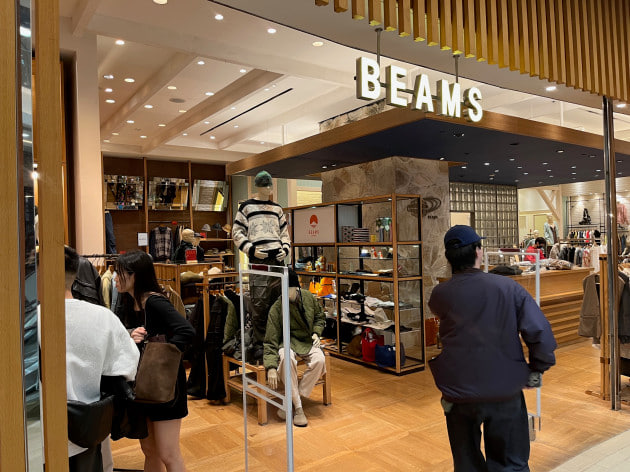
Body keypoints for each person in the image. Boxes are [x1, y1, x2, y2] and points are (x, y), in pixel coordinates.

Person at [428, 225, 557, 471]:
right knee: (510, 463)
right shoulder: (508, 288)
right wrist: (537, 367)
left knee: (466, 463)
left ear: (449, 257)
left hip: (457, 390)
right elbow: (539, 332)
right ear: (478, 251)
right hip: (505, 387)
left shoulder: (440, 294)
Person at [115, 250, 195, 472]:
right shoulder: (128, 302)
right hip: (142, 385)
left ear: (135, 275)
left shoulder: (154, 302)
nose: (115, 278)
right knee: (150, 450)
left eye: (120, 273)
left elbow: (186, 331)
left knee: (169, 453)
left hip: (163, 385)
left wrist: (161, 352)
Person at [62, 246, 140, 472]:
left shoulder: (28, 322)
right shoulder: (103, 317)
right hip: (91, 424)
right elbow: (129, 366)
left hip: (41, 430)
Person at [233, 170, 292, 359]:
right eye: (265, 185)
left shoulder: (277, 209)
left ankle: (277, 342)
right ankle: (260, 344)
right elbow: (236, 232)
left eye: (270, 184)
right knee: (259, 303)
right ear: (258, 186)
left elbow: (284, 233)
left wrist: (285, 249)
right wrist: (251, 249)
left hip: (277, 258)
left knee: (278, 301)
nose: (269, 188)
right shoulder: (246, 208)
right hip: (258, 258)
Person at [263, 270, 326, 427]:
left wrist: (316, 333)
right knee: (286, 359)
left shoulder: (308, 297)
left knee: (320, 360)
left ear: (296, 287)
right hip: (286, 342)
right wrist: (271, 367)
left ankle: (291, 400)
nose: (284, 293)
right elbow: (270, 340)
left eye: (288, 289)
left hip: (307, 340)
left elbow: (320, 317)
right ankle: (298, 408)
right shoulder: (277, 308)